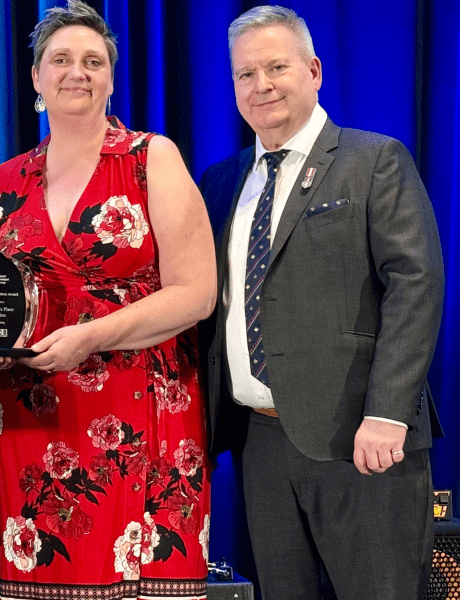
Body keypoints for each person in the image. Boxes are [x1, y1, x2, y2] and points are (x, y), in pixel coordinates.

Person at [200, 6, 444, 599]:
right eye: (245, 74)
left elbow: (416, 282)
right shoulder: (221, 180)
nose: (261, 86)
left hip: (362, 439)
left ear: (313, 70)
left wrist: (388, 412)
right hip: (261, 443)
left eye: (276, 67)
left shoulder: (374, 160)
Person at [0, 2, 217, 597]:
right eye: (60, 60)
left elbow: (197, 293)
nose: (76, 72)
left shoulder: (149, 157)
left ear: (111, 77)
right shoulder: (6, 181)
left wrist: (92, 336)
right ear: (36, 77)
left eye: (93, 61)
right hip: (35, 422)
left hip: (141, 415)